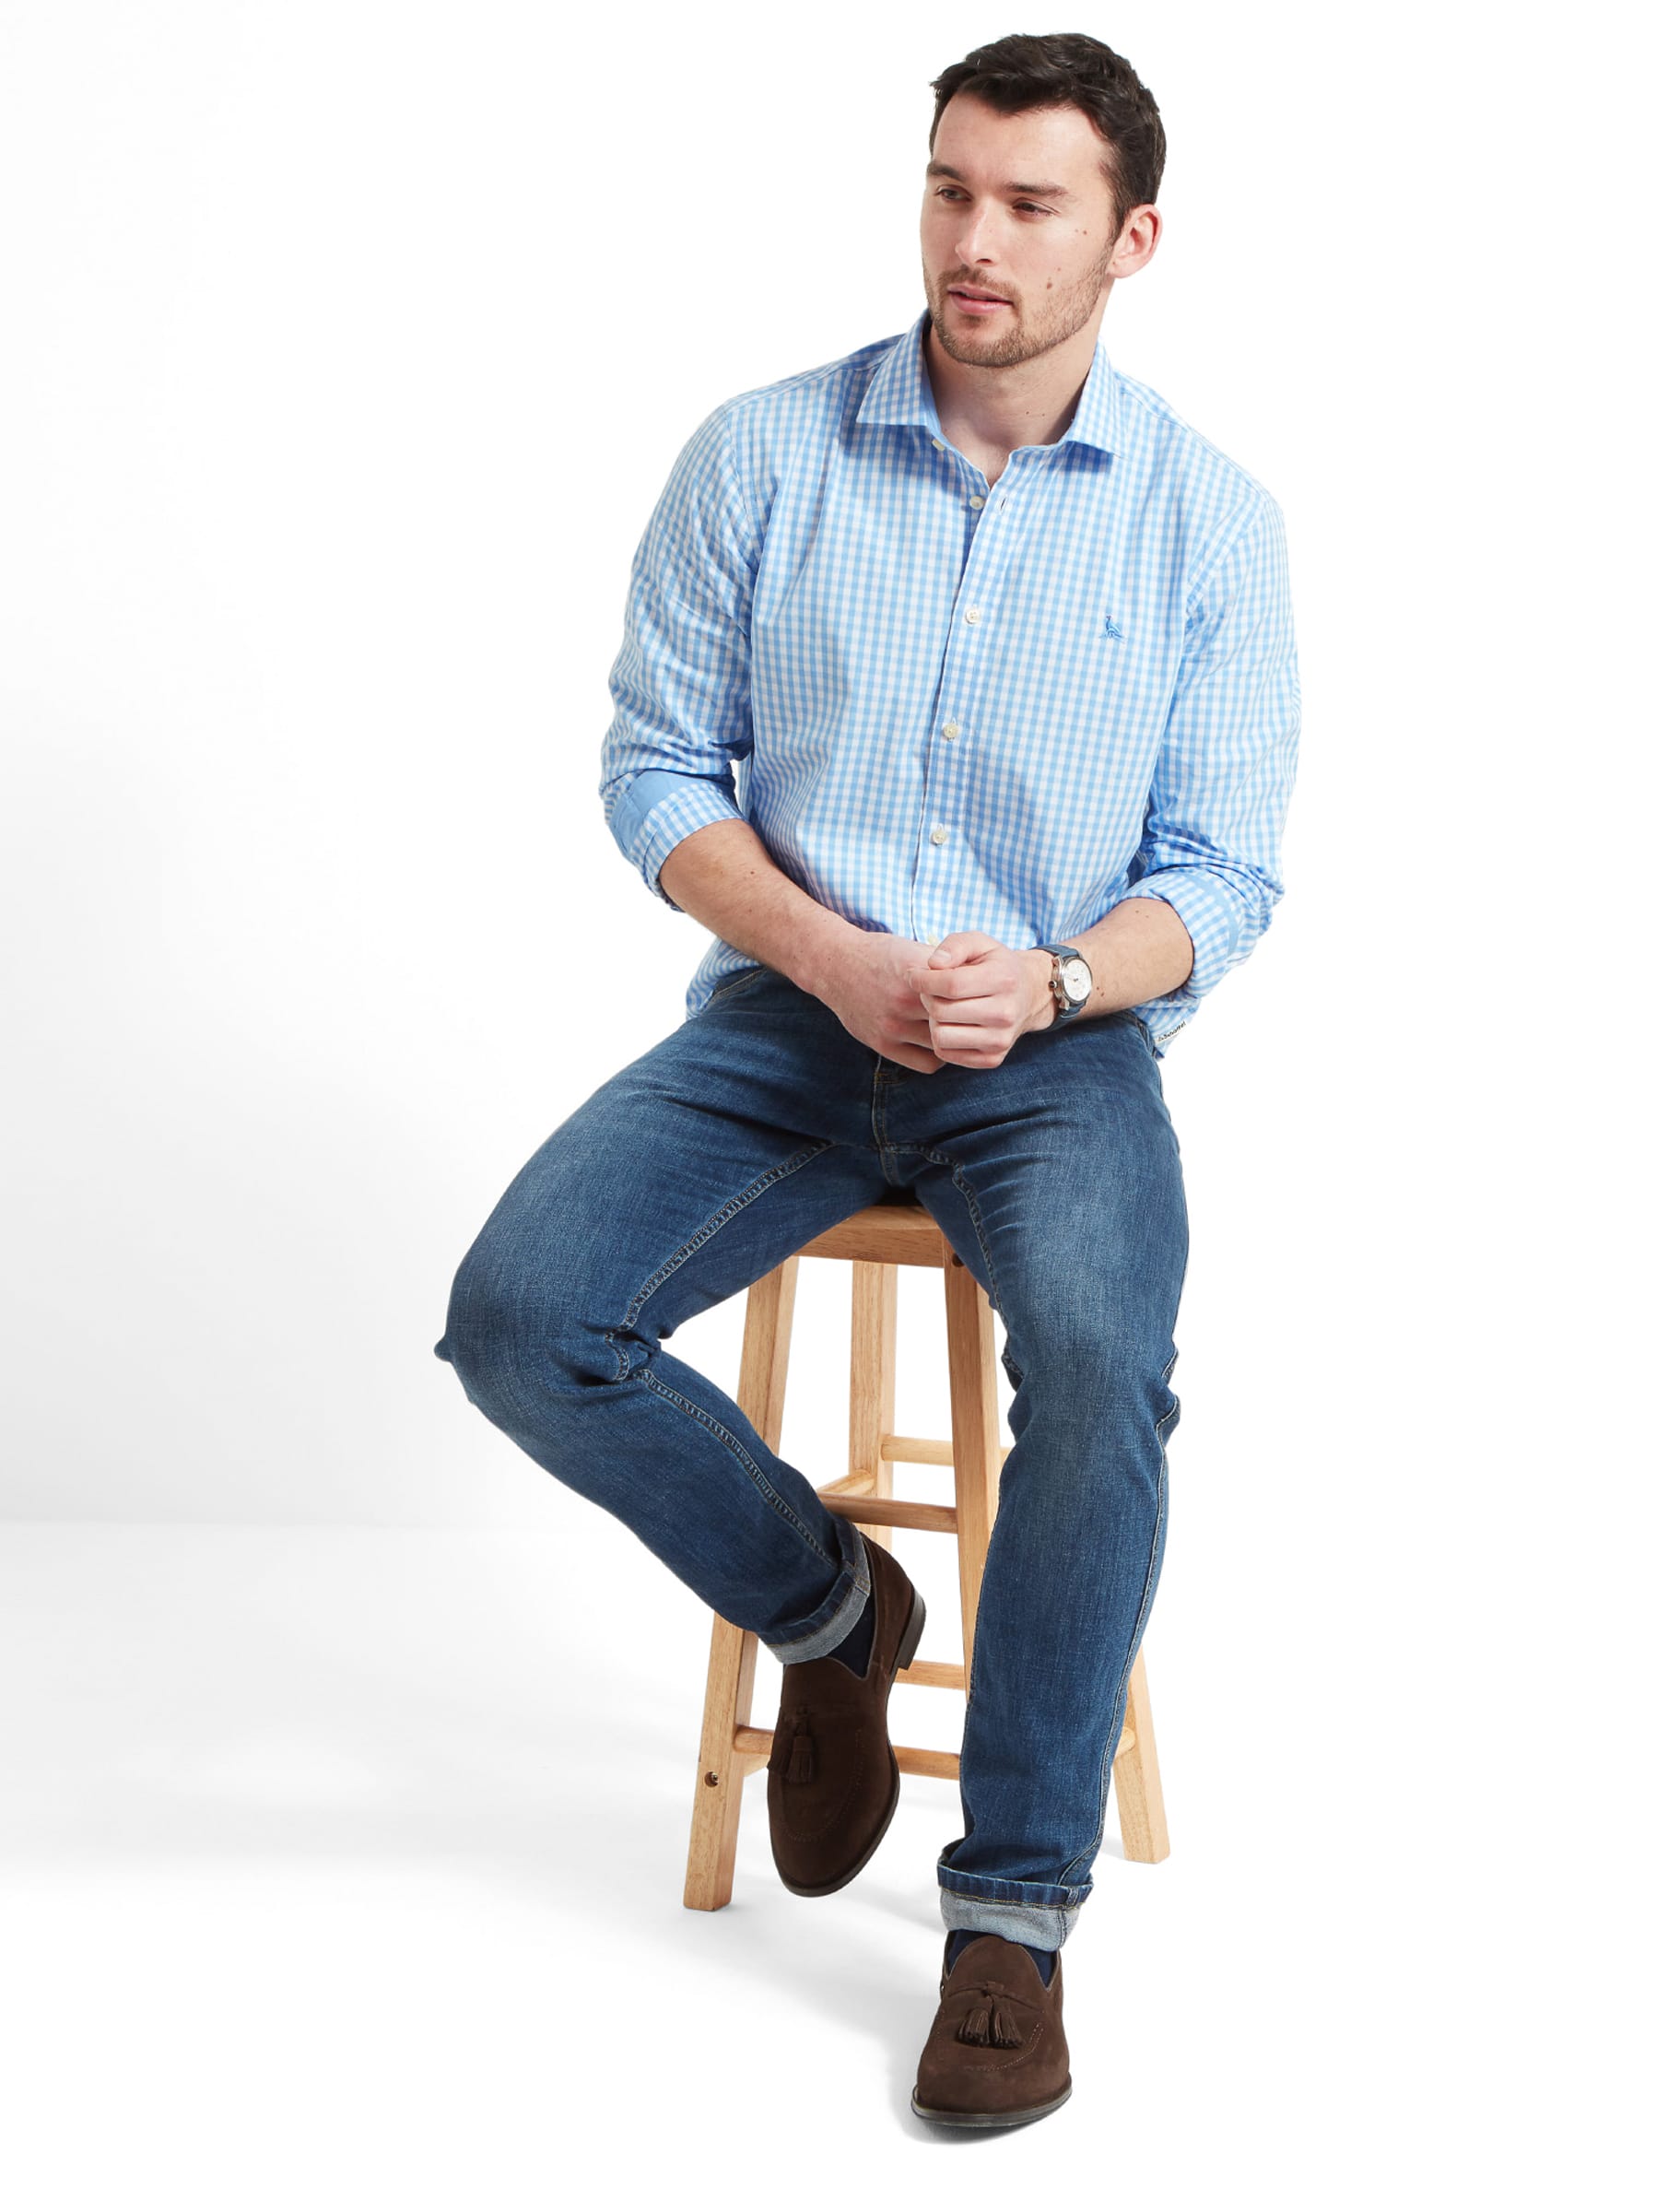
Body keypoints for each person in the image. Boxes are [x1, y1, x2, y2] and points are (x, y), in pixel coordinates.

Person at [435, 29, 1299, 2129]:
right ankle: (836, 1613)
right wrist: (827, 956)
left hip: (1052, 1053)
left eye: (1029, 204)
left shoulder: (1209, 524)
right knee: (521, 1323)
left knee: (1101, 1362)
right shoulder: (763, 454)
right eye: (950, 189)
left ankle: (1008, 1915)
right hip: (785, 1024)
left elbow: (1227, 873)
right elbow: (654, 773)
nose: (974, 240)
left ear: (1134, 236)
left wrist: (1065, 980)